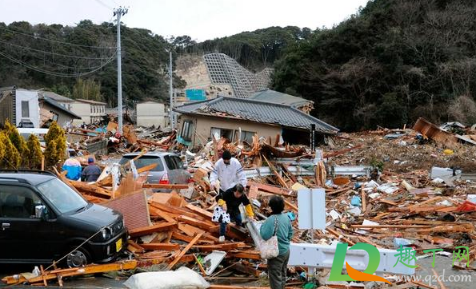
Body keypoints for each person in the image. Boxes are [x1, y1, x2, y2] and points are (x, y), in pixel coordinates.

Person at [260, 196, 293, 289]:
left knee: (275, 278)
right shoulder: (286, 218)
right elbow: (290, 233)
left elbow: (265, 235)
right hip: (286, 251)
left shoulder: (271, 219)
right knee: (282, 275)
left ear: (272, 207)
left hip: (276, 252)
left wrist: (262, 226)